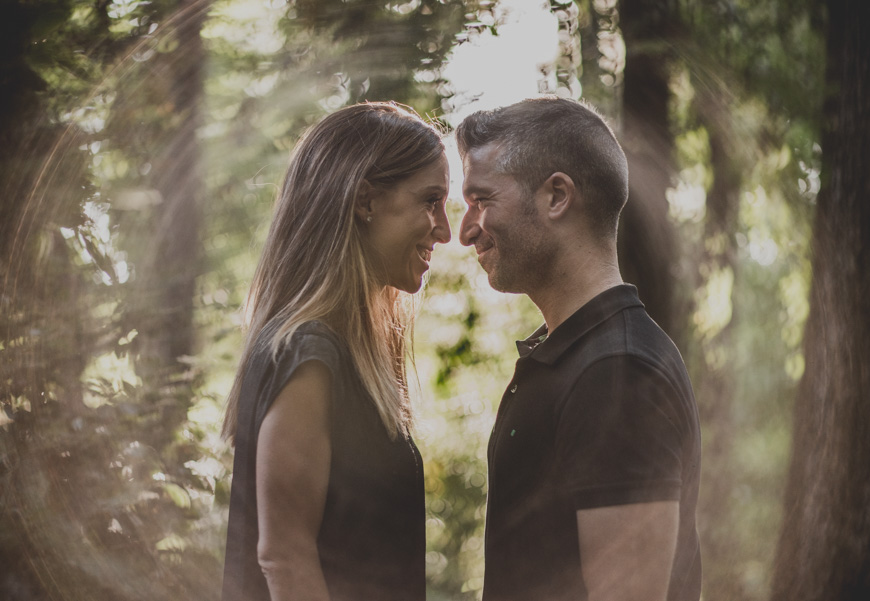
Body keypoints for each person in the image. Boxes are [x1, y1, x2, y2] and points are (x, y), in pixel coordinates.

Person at [456, 96, 701, 601]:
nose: (465, 231)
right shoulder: (574, 357)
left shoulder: (618, 373)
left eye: (481, 199)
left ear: (556, 196)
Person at [221, 102, 451, 601]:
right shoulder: (308, 353)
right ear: (364, 201)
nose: (445, 229)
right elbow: (284, 558)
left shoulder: (343, 352)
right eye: (431, 201)